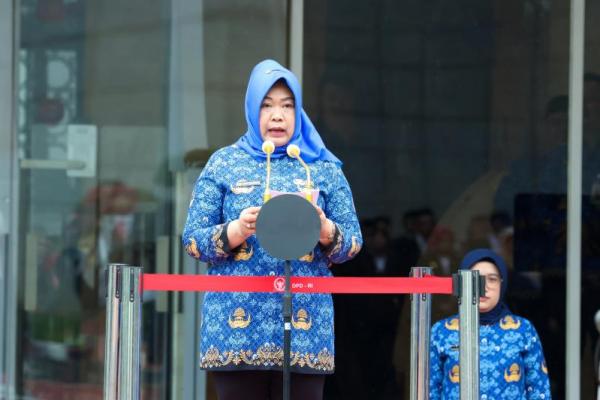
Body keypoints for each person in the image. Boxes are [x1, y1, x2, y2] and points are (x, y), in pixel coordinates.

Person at [182, 59, 362, 400]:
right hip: (235, 330)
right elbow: (192, 240)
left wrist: (323, 229)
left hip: (305, 329)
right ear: (252, 108)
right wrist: (237, 229)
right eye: (266, 106)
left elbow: (353, 243)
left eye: (286, 106)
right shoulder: (224, 163)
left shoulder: (322, 166)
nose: (277, 116)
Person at [429, 248, 551, 399]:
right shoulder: (442, 331)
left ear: (502, 283)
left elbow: (539, 390)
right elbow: (430, 391)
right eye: (475, 279)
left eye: (492, 279)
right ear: (462, 283)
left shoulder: (523, 330)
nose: (484, 287)